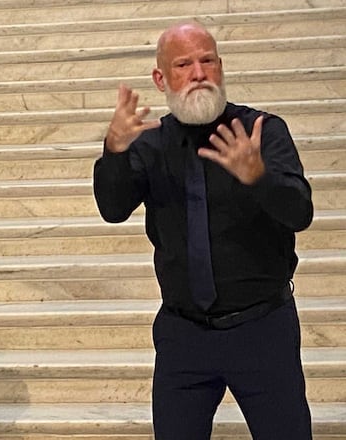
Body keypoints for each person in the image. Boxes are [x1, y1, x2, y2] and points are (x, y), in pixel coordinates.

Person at [93, 22, 313, 438]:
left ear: (221, 66)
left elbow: (300, 212)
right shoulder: (149, 143)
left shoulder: (262, 132)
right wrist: (115, 152)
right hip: (184, 335)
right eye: (184, 64)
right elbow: (113, 208)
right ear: (161, 79)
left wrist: (259, 177)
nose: (199, 73)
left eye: (207, 60)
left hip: (262, 329)